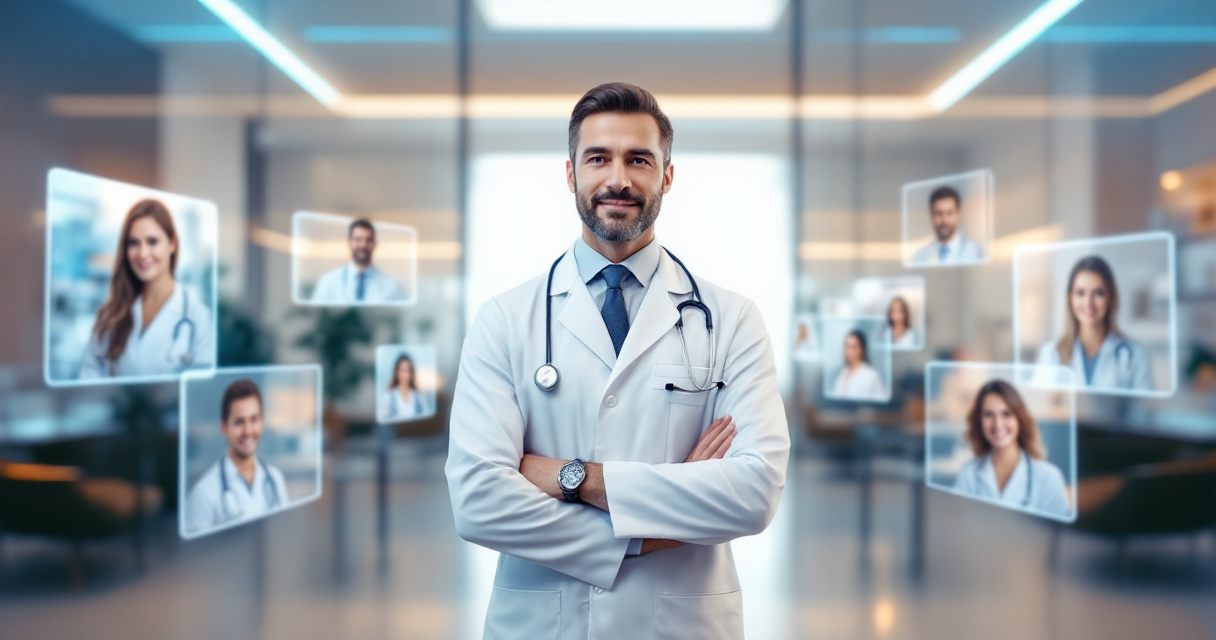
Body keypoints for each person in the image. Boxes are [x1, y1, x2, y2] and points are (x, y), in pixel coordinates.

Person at [445, 83, 789, 640]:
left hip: (680, 621)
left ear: (667, 177)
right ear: (570, 173)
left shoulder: (733, 319)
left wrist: (571, 478)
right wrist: (655, 531)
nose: (618, 179)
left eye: (639, 160)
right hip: (541, 622)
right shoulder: (505, 319)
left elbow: (753, 492)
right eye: (598, 157)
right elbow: (478, 500)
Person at [80, 199, 214, 378]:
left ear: (172, 244)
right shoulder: (111, 314)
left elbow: (201, 391)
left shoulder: (198, 317)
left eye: (152, 242)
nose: (142, 254)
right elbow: (89, 374)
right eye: (134, 243)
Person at [951, 379, 1070, 517]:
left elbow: (1063, 534)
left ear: (1019, 419)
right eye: (989, 415)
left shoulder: (1048, 478)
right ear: (979, 421)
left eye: (1006, 414)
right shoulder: (969, 473)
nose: (998, 425)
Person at [1035, 255, 1154, 391]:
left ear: (1111, 297)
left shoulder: (1135, 355)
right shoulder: (1052, 354)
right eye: (1080, 293)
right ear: (1070, 298)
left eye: (1098, 293)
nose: (1088, 303)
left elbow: (1144, 409)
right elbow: (1042, 407)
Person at [186, 379, 289, 535]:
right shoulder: (203, 496)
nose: (248, 431)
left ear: (262, 422)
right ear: (224, 427)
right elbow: (196, 557)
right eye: (239, 422)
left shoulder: (275, 479)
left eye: (254, 420)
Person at [309, 218, 407, 303]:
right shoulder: (328, 282)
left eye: (368, 240)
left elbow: (402, 320)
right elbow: (317, 319)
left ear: (375, 244)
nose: (363, 245)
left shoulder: (393, 285)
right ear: (349, 242)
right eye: (358, 239)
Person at [910, 185, 986, 266]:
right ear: (931, 215)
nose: (944, 220)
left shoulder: (975, 252)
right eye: (939, 214)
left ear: (958, 214)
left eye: (949, 213)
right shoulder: (921, 256)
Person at [829, 329, 887, 401]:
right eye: (846, 346)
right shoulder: (842, 373)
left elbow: (880, 402)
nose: (849, 351)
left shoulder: (871, 375)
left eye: (853, 347)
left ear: (862, 350)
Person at [378, 353, 436, 422]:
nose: (405, 375)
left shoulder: (419, 397)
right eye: (402, 371)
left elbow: (427, 417)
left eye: (408, 371)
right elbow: (382, 419)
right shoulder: (389, 397)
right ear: (397, 373)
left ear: (411, 373)